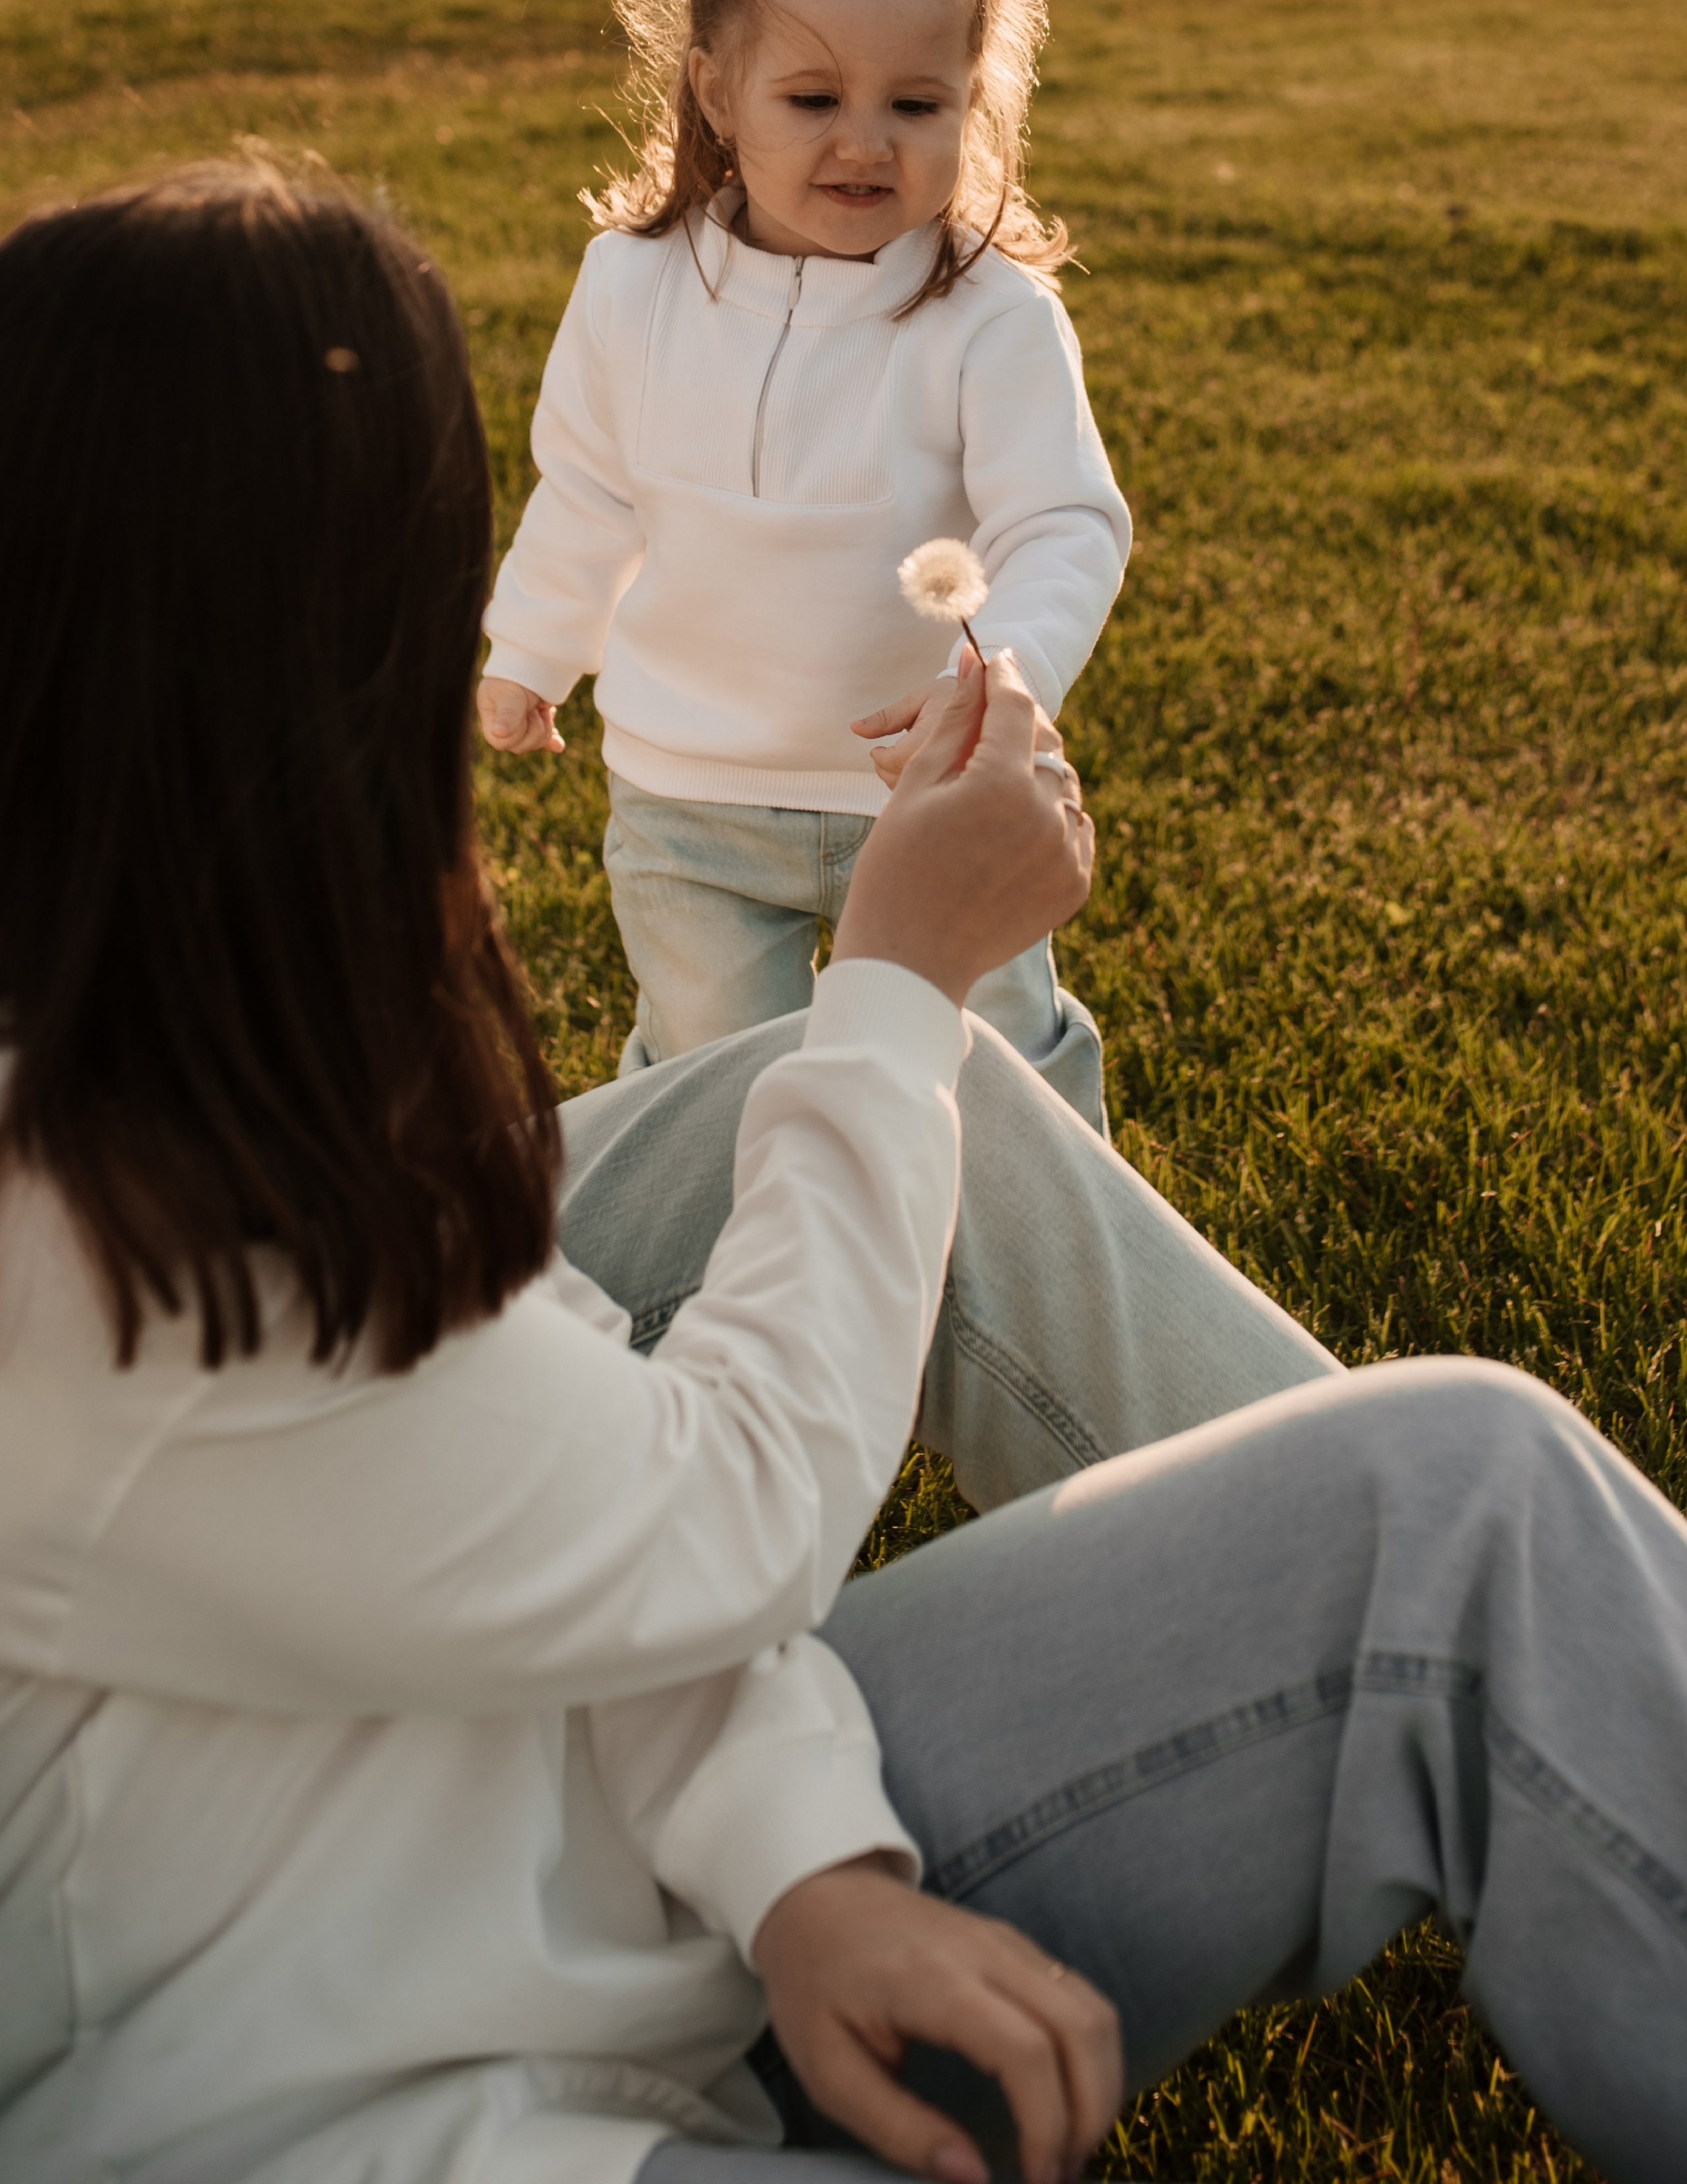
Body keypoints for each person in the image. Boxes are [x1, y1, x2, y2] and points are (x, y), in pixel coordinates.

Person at [2, 169, 1685, 2184]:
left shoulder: (206, 1019)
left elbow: (572, 1458)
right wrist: (895, 975)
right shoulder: (92, 1228)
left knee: (1462, 1488)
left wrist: (801, 1854)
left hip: (647, 1909)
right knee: (873, 1079)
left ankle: (1567, 1724)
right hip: (413, 2119)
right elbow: (709, 1507)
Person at [476, 0, 1131, 1133]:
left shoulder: (989, 318)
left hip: (934, 794)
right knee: (713, 1078)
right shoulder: (634, 287)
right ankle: (727, 1294)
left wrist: (1000, 683)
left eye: (915, 104)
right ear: (714, 90)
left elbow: (1065, 519)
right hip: (689, 792)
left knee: (999, 1077)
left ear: (975, 104)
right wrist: (532, 646)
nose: (863, 140)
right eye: (812, 94)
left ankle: (1050, 1273)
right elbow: (586, 486)